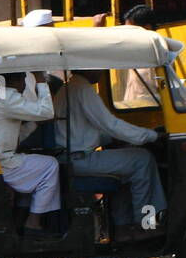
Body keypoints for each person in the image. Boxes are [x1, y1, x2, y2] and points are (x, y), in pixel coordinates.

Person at [52, 72, 166, 242]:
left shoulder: (68, 87)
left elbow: (88, 129)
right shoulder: (82, 89)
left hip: (69, 157)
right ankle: (145, 225)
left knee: (127, 168)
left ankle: (122, 228)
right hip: (79, 160)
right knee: (143, 159)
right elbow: (110, 124)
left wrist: (124, 135)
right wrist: (151, 136)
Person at [0, 72, 62, 258]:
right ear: (17, 80)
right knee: (50, 165)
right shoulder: (6, 96)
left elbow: (18, 127)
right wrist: (41, 81)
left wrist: (34, 123)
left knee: (38, 173)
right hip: (2, 162)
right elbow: (46, 111)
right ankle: (34, 221)